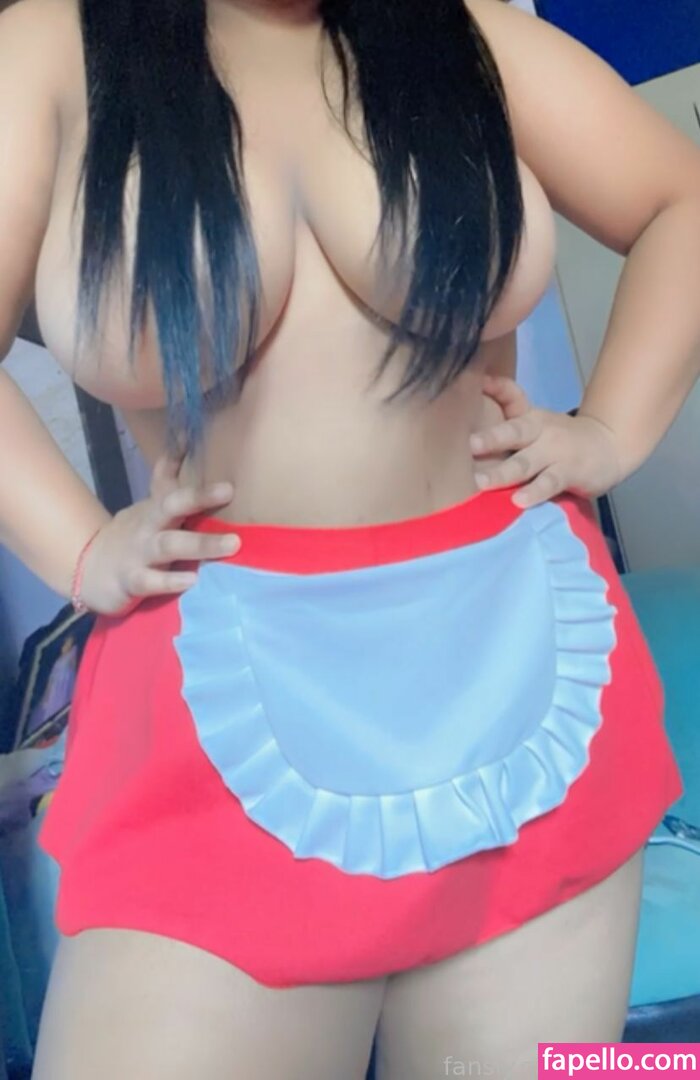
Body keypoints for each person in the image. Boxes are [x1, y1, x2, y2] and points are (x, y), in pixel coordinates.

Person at [1, 0, 699, 1076]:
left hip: (525, 658)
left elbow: (679, 199)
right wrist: (83, 548)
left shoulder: (461, 29)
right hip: (215, 681)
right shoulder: (49, 46)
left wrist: (608, 430)